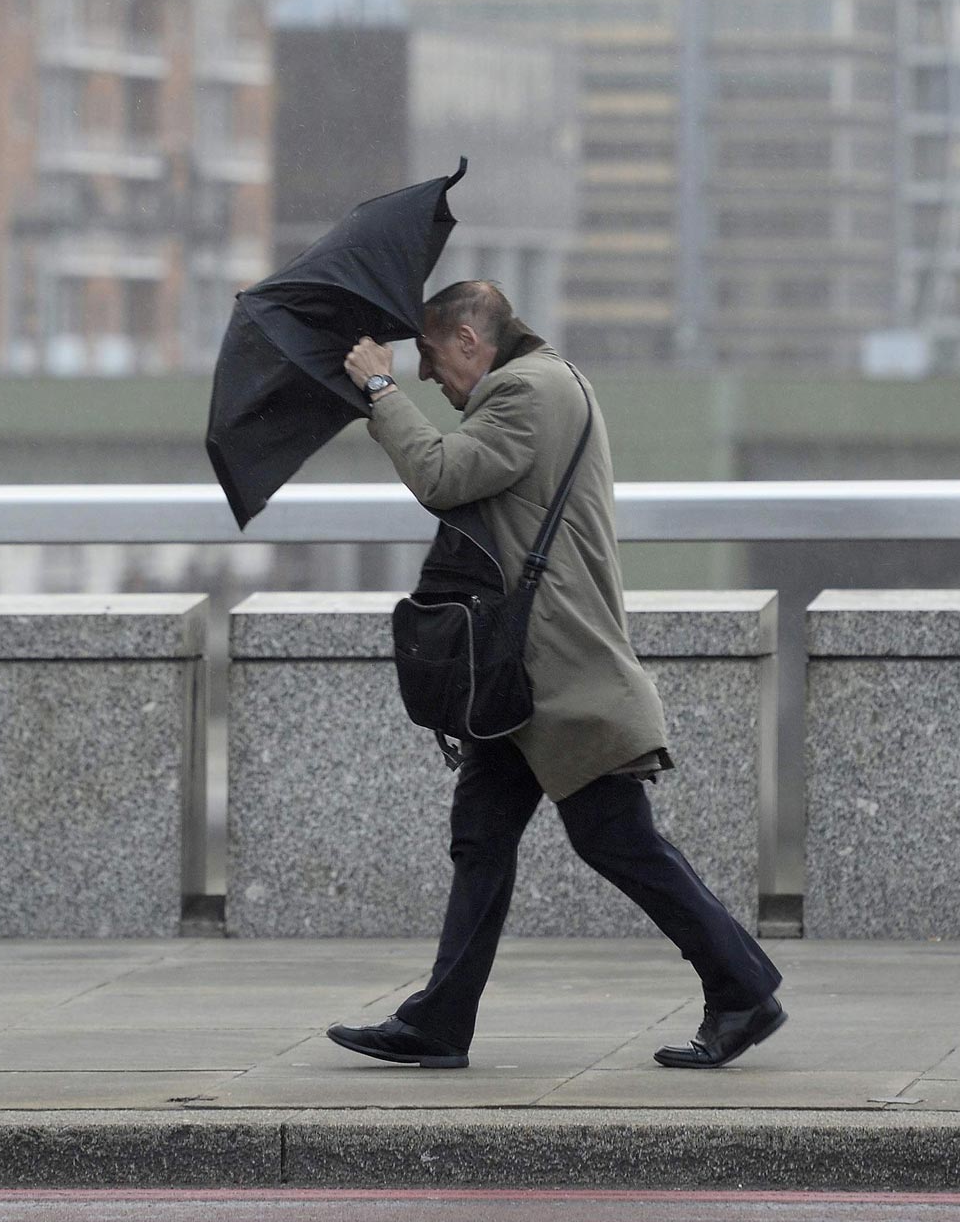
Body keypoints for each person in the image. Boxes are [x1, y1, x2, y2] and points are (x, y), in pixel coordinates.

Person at [329, 280, 785, 1071]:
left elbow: (440, 475)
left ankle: (743, 987)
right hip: (520, 681)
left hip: (558, 675)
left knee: (618, 840)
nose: (431, 379)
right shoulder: (540, 382)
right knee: (481, 840)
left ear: (471, 339)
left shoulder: (524, 393)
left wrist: (380, 389)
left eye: (434, 359)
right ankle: (439, 1022)